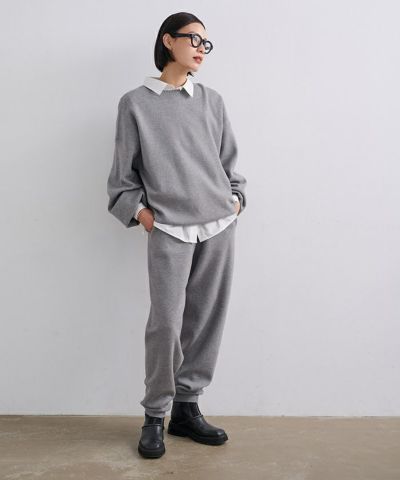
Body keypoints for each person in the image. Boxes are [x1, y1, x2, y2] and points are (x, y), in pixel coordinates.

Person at [107, 12, 247, 459]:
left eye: (207, 43)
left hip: (218, 225)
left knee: (205, 319)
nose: (201, 49)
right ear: (168, 41)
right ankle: (155, 414)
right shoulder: (135, 103)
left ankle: (187, 408)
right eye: (194, 39)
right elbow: (122, 179)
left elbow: (229, 164)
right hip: (169, 228)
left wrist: (236, 199)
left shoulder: (212, 101)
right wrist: (143, 215)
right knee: (166, 324)